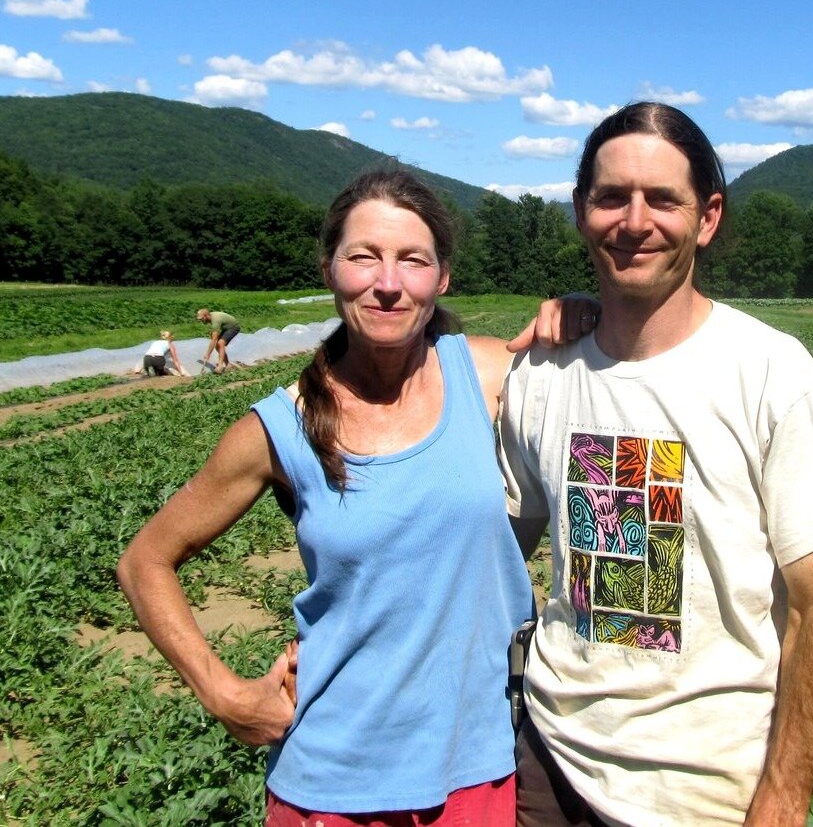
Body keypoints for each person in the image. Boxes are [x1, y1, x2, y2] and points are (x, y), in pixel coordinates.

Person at [118, 169, 598, 826]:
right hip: (329, 783)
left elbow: (611, 371)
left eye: (412, 260)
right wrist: (224, 694)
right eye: (363, 256)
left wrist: (581, 307)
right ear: (329, 268)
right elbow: (144, 560)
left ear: (443, 277)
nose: (388, 282)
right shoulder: (278, 428)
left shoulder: (487, 374)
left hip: (477, 770)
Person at [499, 103, 813, 827]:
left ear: (705, 218)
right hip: (546, 765)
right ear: (580, 211)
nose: (633, 221)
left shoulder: (768, 372)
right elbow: (489, 556)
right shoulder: (541, 373)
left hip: (701, 789)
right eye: (611, 197)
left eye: (661, 199)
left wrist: (785, 794)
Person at [197, 307, 241, 372]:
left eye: (201, 319)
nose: (201, 321)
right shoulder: (211, 317)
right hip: (226, 328)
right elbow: (214, 337)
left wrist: (208, 354)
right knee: (217, 346)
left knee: (221, 343)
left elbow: (214, 340)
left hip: (233, 327)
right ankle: (228, 365)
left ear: (206, 316)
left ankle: (220, 366)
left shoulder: (215, 321)